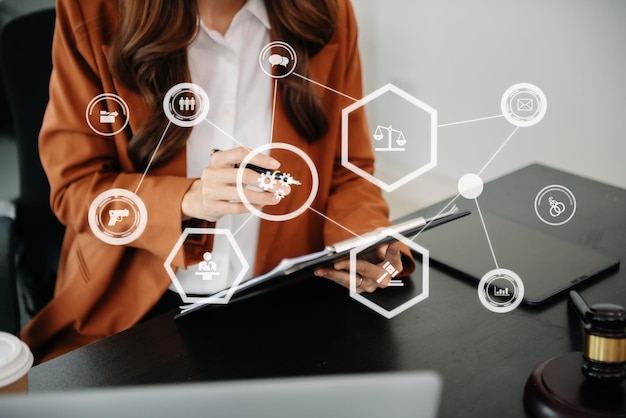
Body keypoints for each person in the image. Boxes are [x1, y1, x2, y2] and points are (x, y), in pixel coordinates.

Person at [21, 0, 415, 363]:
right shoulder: (90, 9)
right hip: (134, 306)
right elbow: (76, 187)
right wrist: (187, 199)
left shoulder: (326, 11)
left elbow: (347, 168)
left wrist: (362, 241)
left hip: (286, 296)